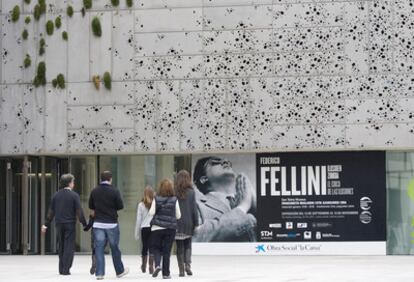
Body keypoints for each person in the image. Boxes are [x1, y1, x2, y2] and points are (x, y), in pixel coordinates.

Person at [192, 156, 257, 242]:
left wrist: (255, 207)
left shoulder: (250, 203)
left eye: (227, 161)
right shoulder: (194, 206)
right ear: (204, 179)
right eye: (215, 162)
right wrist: (242, 208)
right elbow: (195, 237)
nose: (226, 161)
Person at [41, 173, 87, 275]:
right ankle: (66, 269)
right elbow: (79, 211)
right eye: (73, 182)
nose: (73, 184)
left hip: (59, 224)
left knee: (61, 245)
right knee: (69, 246)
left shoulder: (56, 195)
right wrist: (84, 224)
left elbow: (51, 211)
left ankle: (61, 268)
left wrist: (45, 224)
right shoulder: (74, 196)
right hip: (70, 224)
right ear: (70, 183)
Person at [88, 171, 129, 280]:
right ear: (110, 179)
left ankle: (100, 273)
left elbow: (91, 206)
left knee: (99, 249)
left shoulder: (94, 190)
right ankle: (119, 271)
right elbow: (120, 206)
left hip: (98, 224)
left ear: (101, 179)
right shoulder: (114, 190)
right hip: (111, 224)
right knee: (114, 247)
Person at [149, 179, 181, 279]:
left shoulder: (156, 198)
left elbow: (151, 212)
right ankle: (166, 274)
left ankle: (157, 265)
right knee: (167, 251)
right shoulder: (174, 199)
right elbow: (179, 215)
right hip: (170, 228)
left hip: (157, 228)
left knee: (155, 248)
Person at [174, 170, 198, 277]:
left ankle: (181, 271)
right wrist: (196, 222)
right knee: (188, 244)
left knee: (179, 247)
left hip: (177, 223)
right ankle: (188, 265)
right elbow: (194, 209)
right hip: (189, 222)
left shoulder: (174, 192)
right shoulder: (192, 192)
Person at [134, 185, 155, 274]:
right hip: (153, 228)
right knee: (152, 247)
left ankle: (143, 265)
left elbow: (138, 220)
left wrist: (136, 233)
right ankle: (151, 266)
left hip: (144, 228)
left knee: (145, 247)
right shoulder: (155, 203)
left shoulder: (141, 205)